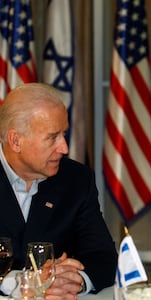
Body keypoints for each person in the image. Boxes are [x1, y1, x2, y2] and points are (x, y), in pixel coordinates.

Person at [0, 83, 118, 299]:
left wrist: (76, 281)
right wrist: (20, 283)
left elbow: (103, 256)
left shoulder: (76, 179)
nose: (64, 148)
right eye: (52, 137)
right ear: (16, 141)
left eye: (64, 134)